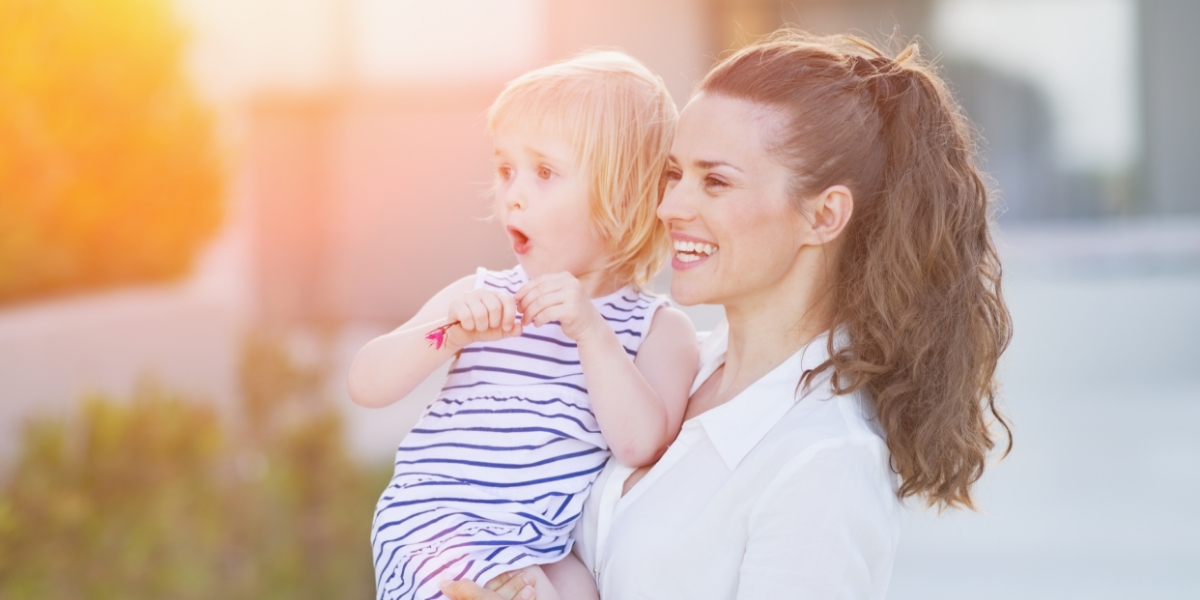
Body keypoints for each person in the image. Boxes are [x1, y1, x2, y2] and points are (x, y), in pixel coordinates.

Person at [442, 31, 1012, 600]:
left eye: (715, 181)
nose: (669, 206)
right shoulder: (671, 363)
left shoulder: (822, 465)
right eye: (673, 174)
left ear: (824, 215)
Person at [346, 51, 698, 600]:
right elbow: (367, 383)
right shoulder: (482, 294)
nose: (512, 193)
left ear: (624, 195)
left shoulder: (655, 329)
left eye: (544, 172)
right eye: (506, 169)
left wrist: (591, 332)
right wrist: (449, 333)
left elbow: (640, 444)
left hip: (536, 545)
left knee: (580, 589)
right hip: (435, 521)